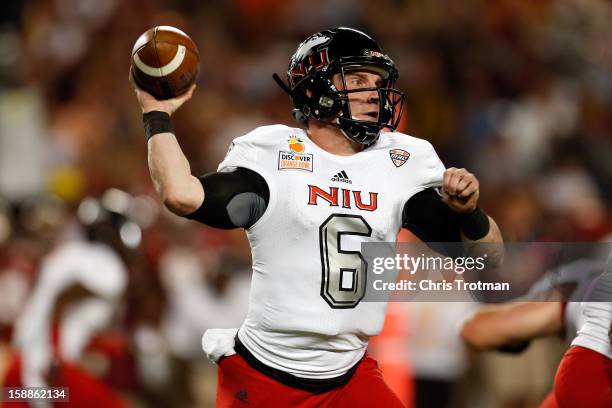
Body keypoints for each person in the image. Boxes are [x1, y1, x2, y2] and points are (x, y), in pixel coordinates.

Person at [132, 27, 503, 407]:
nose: (373, 93)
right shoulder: (273, 154)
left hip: (349, 377)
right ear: (314, 89)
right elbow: (181, 195)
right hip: (265, 376)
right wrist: (157, 114)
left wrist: (471, 212)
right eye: (357, 79)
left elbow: (489, 256)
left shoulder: (400, 162)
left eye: (377, 82)